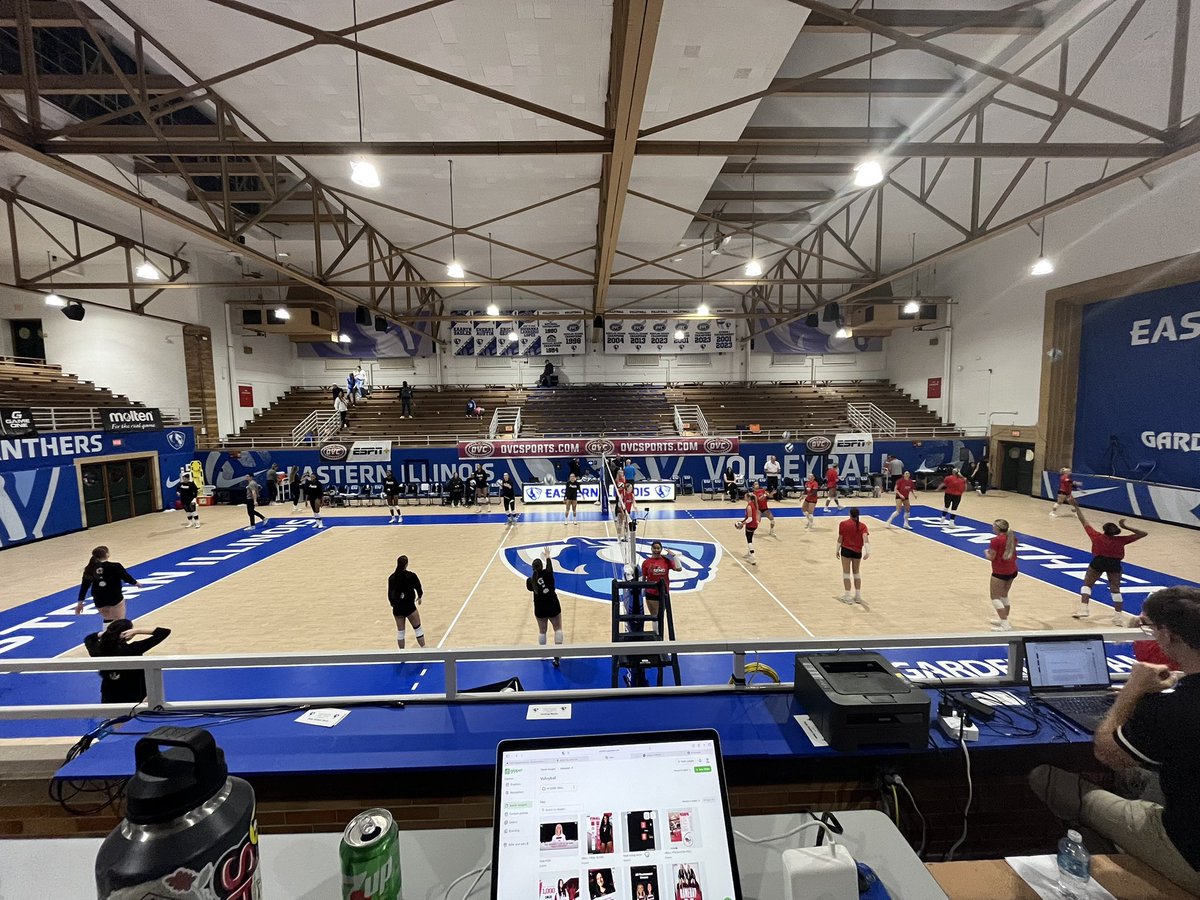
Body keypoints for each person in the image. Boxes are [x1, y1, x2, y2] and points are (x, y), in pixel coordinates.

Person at [1028, 587, 1200, 896]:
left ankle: (1113, 856)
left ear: (1168, 636)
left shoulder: (1172, 707)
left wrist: (1132, 691)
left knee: (1047, 778)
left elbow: (1106, 751)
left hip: (1187, 851)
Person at [1069, 497, 1148, 623]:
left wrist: (1077, 507)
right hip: (1114, 564)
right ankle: (1118, 616)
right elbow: (1144, 533)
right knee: (1115, 589)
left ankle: (1084, 609)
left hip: (1098, 562)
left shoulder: (1096, 536)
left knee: (1087, 585)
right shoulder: (1121, 540)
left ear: (1104, 530)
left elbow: (1083, 521)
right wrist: (1126, 526)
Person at [83, 618, 172, 705]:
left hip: (110, 692)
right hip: (134, 692)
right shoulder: (133, 649)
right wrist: (137, 631)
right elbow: (164, 632)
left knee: (112, 717)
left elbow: (89, 638)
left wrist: (107, 633)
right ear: (127, 633)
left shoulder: (97, 650)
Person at [74, 546, 139, 623]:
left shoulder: (90, 568)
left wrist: (80, 603)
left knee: (107, 620)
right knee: (120, 622)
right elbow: (126, 577)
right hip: (114, 597)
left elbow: (84, 587)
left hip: (99, 599)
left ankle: (106, 634)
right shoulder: (115, 566)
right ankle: (118, 634)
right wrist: (135, 583)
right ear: (107, 554)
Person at [527, 548, 563, 666]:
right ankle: (557, 655)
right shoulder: (548, 574)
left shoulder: (530, 581)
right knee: (557, 628)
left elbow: (530, 586)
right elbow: (550, 568)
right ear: (541, 566)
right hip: (553, 605)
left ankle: (543, 654)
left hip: (540, 608)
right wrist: (547, 556)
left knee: (542, 631)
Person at [985, 518, 1018, 631]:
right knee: (1004, 595)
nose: (992, 528)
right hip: (1012, 570)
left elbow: (991, 557)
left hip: (1000, 572)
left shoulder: (996, 540)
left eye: (993, 526)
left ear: (997, 528)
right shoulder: (1012, 538)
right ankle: (1004, 619)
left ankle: (1005, 624)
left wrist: (985, 552)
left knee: (995, 597)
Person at [387, 555, 425, 650]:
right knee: (417, 628)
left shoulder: (391, 578)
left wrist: (393, 604)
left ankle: (402, 653)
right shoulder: (411, 576)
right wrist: (419, 596)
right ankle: (424, 649)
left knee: (400, 631)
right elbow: (418, 587)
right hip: (409, 607)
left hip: (397, 609)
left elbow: (390, 593)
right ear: (406, 564)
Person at [835, 508, 869, 605]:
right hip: (857, 552)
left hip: (846, 550)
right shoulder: (863, 526)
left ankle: (848, 596)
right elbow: (865, 539)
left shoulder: (843, 524)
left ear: (850, 514)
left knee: (846, 573)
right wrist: (867, 552)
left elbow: (840, 538)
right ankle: (858, 596)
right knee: (856, 573)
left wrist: (837, 550)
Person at [641, 540, 682, 620]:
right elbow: (644, 577)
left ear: (661, 549)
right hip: (651, 592)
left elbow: (679, 568)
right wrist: (642, 590)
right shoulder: (646, 563)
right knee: (654, 616)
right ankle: (656, 631)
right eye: (654, 548)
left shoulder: (666, 561)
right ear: (651, 549)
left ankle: (660, 632)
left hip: (663, 592)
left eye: (658, 548)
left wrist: (674, 556)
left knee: (660, 616)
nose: (656, 550)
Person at [734, 490, 760, 565]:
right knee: (750, 538)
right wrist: (742, 521)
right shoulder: (753, 504)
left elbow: (750, 519)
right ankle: (749, 553)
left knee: (749, 540)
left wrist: (742, 524)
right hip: (754, 524)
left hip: (751, 524)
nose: (744, 497)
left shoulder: (749, 506)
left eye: (745, 496)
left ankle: (753, 556)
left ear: (748, 498)